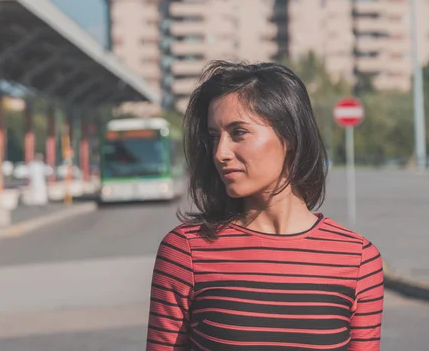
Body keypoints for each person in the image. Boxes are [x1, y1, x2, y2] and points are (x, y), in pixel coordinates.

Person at [146, 61, 383, 350]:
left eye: (238, 133)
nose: (221, 153)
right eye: (213, 137)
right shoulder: (185, 253)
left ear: (290, 136)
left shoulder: (357, 260)